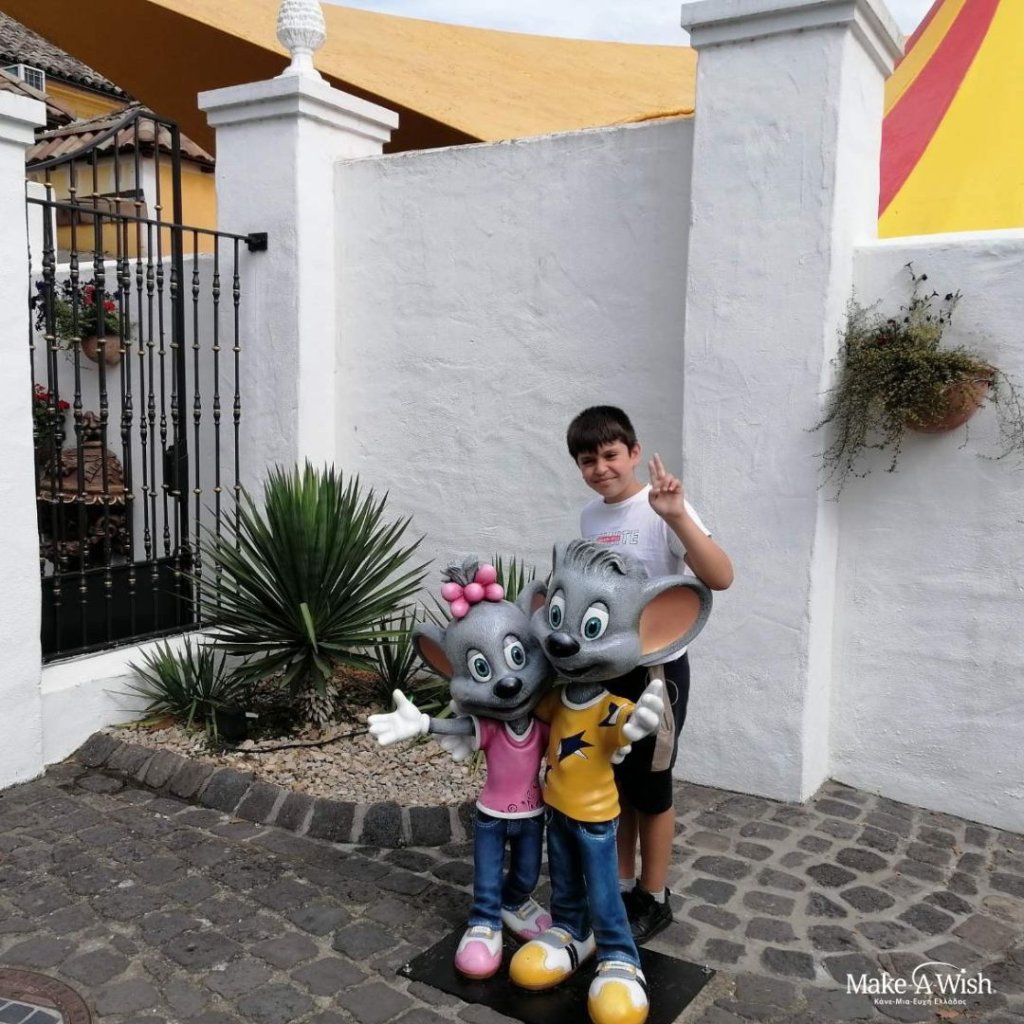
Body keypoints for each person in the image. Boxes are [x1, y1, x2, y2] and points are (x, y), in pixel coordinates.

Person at [565, 405, 734, 943]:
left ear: (634, 452)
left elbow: (721, 576)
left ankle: (654, 896)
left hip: (657, 674)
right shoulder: (591, 518)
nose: (601, 468)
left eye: (610, 455)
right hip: (605, 673)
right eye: (588, 460)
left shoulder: (661, 507)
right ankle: (619, 885)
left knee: (652, 788)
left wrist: (677, 515)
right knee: (616, 781)